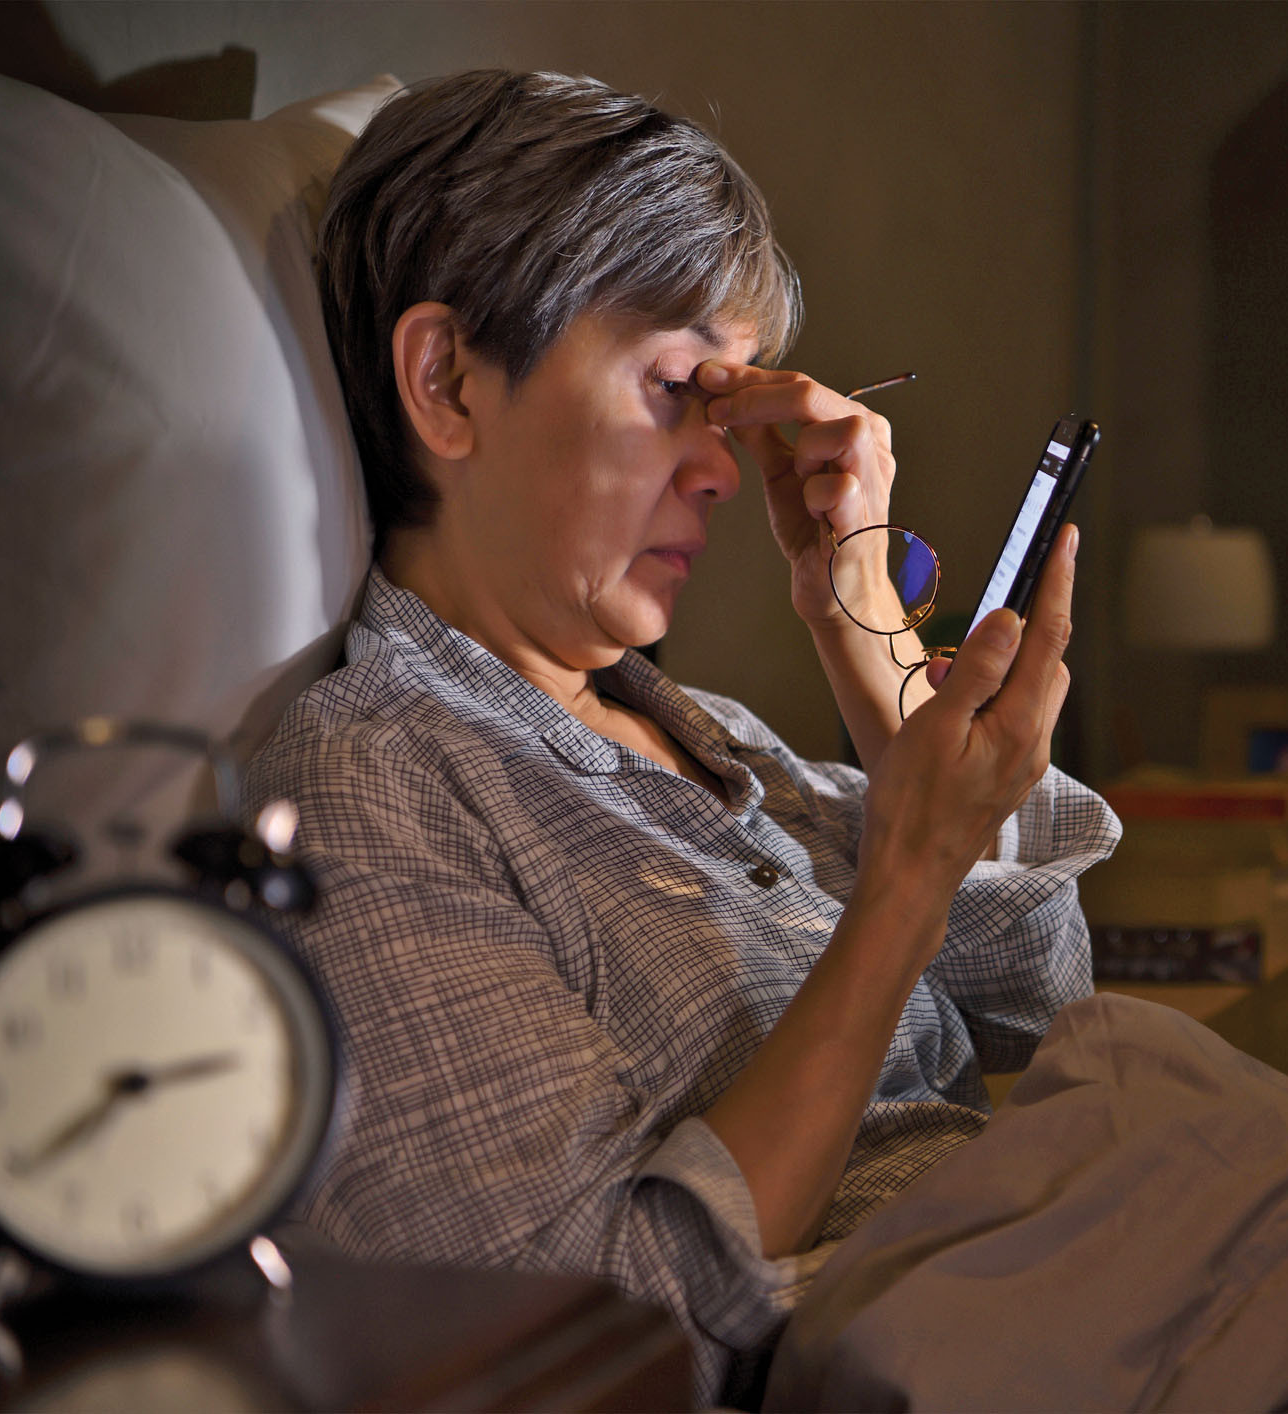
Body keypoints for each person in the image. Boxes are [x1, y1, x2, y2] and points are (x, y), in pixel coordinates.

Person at [246, 69, 1118, 1405]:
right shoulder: (378, 779)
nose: (719, 465)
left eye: (730, 406)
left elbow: (1036, 1002)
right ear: (446, 382)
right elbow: (589, 1318)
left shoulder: (709, 738)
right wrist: (901, 881)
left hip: (1075, 1266)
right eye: (673, 387)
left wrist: (866, 629)